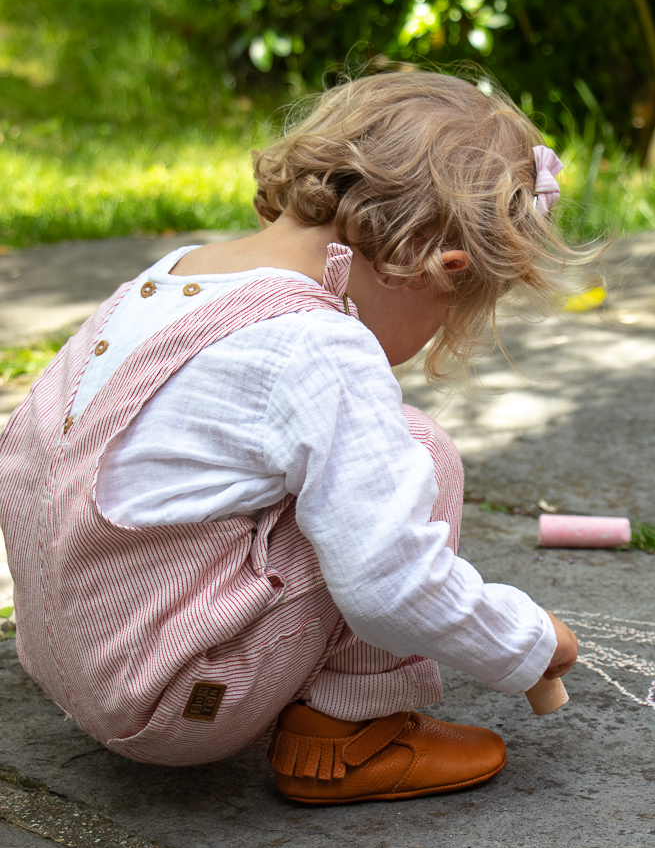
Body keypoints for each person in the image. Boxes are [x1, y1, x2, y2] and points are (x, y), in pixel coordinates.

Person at [0, 68, 578, 806]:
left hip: (72, 657)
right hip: (180, 703)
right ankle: (347, 735)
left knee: (346, 473)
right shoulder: (316, 344)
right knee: (415, 454)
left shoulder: (175, 279)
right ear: (437, 267)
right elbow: (389, 583)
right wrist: (526, 645)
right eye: (447, 317)